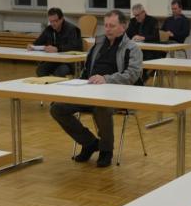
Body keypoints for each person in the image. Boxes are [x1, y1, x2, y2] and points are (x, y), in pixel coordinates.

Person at [49, 10, 142, 168]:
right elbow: (86, 71)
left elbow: (132, 75)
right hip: (90, 91)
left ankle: (106, 150)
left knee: (101, 108)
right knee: (57, 108)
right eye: (106, 25)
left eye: (112, 26)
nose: (108, 29)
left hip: (117, 94)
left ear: (123, 26)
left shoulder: (132, 48)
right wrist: (76, 86)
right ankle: (90, 143)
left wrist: (106, 79)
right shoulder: (97, 45)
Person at [29, 7, 83, 77]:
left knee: (60, 71)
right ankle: (47, 83)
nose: (53, 24)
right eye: (51, 21)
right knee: (41, 70)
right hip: (54, 60)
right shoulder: (49, 29)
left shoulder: (72, 29)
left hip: (69, 63)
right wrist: (32, 46)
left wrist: (57, 49)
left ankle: (56, 84)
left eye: (55, 21)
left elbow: (75, 47)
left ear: (62, 19)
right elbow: (38, 42)